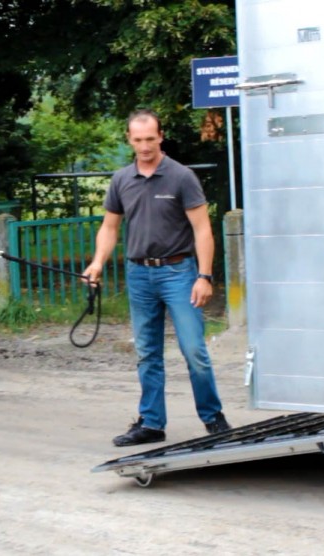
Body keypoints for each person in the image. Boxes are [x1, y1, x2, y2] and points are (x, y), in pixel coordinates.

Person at [83, 109, 231, 447]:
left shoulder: (181, 177)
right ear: (129, 140)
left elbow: (202, 229)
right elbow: (110, 226)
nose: (145, 146)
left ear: (161, 137)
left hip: (179, 273)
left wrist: (204, 276)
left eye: (151, 139)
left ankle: (213, 418)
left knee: (193, 349)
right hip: (140, 275)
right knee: (148, 352)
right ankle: (151, 424)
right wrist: (97, 263)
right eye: (138, 140)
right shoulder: (122, 179)